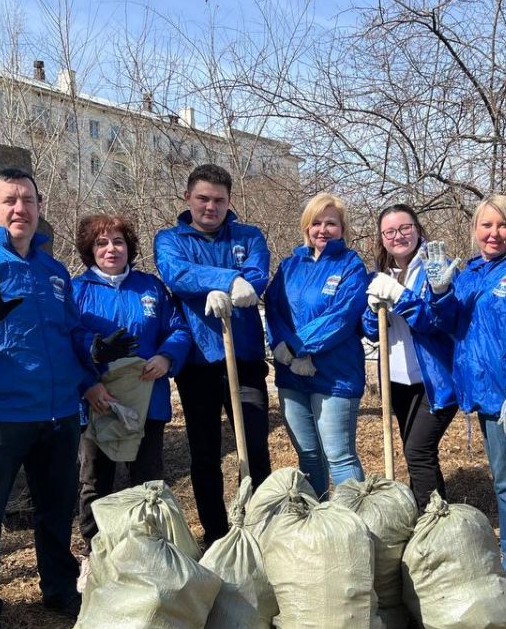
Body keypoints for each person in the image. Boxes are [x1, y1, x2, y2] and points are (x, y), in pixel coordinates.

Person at [0, 168, 136, 629]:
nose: (19, 208)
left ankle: (60, 588)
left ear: (40, 207)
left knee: (55, 508)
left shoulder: (52, 271)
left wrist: (94, 350)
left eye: (28, 200)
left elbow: (67, 335)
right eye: (9, 201)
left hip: (58, 412)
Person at [422, 194, 506, 584]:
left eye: (501, 225)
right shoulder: (470, 272)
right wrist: (441, 292)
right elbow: (449, 323)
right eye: (486, 225)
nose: (493, 233)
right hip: (480, 387)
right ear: (475, 229)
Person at [154, 164, 271, 545]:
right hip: (198, 363)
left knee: (253, 445)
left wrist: (243, 282)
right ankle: (217, 533)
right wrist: (225, 279)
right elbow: (176, 273)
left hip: (245, 358)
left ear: (229, 201)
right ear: (187, 198)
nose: (210, 206)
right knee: (205, 453)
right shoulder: (170, 239)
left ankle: (259, 527)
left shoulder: (248, 235)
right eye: (203, 198)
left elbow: (257, 272)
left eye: (219, 200)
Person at [71, 212, 192, 581]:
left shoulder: (150, 288)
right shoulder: (77, 291)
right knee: (97, 481)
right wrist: (88, 379)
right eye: (102, 243)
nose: (111, 249)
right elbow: (67, 341)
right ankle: (96, 551)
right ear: (90, 250)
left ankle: (149, 547)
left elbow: (178, 328)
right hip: (99, 400)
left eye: (118, 242)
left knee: (148, 480)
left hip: (147, 402)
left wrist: (166, 355)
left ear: (129, 248)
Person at [264, 193, 369, 498]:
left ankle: (356, 521)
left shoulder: (350, 266)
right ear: (306, 227)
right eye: (316, 223)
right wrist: (281, 347)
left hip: (336, 374)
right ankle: (318, 522)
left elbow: (341, 317)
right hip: (291, 375)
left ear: (342, 227)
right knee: (308, 456)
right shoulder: (290, 265)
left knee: (339, 456)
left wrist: (298, 347)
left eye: (331, 223)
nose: (323, 230)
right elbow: (273, 306)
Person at [363, 204, 458, 508]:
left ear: (417, 229)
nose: (398, 236)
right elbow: (371, 331)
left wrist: (400, 296)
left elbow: (435, 322)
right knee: (416, 451)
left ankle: (434, 522)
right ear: (382, 238)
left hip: (435, 379)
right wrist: (371, 306)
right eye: (389, 231)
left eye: (404, 228)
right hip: (398, 381)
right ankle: (425, 511)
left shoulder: (435, 265)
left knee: (418, 451)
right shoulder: (383, 273)